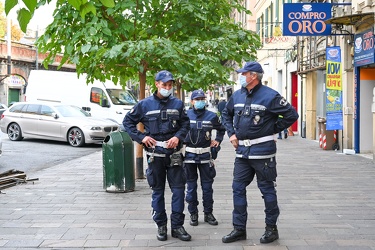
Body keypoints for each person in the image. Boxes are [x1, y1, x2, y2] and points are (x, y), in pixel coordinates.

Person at [221, 61, 299, 244]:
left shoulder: (270, 96)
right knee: (237, 189)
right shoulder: (237, 95)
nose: (240, 76)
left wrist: (272, 128)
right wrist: (231, 134)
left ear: (253, 76)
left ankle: (271, 229)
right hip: (242, 153)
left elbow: (292, 115)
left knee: (267, 190)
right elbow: (226, 114)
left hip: (263, 153)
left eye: (243, 73)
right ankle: (239, 228)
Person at [123, 70, 191, 242]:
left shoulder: (178, 104)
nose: (168, 88)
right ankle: (161, 225)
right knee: (158, 192)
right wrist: (141, 137)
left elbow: (185, 124)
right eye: (165, 85)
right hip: (155, 156)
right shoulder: (144, 105)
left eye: (170, 85)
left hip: (174, 155)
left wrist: (178, 137)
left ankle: (177, 226)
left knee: (178, 191)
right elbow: (127, 122)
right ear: (157, 84)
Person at [184, 89, 226, 227]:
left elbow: (221, 128)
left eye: (202, 99)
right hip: (189, 156)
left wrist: (218, 140)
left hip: (205, 156)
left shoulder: (212, 116)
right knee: (191, 187)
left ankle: (208, 213)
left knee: (207, 187)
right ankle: (193, 213)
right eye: (197, 99)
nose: (200, 101)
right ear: (192, 101)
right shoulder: (185, 115)